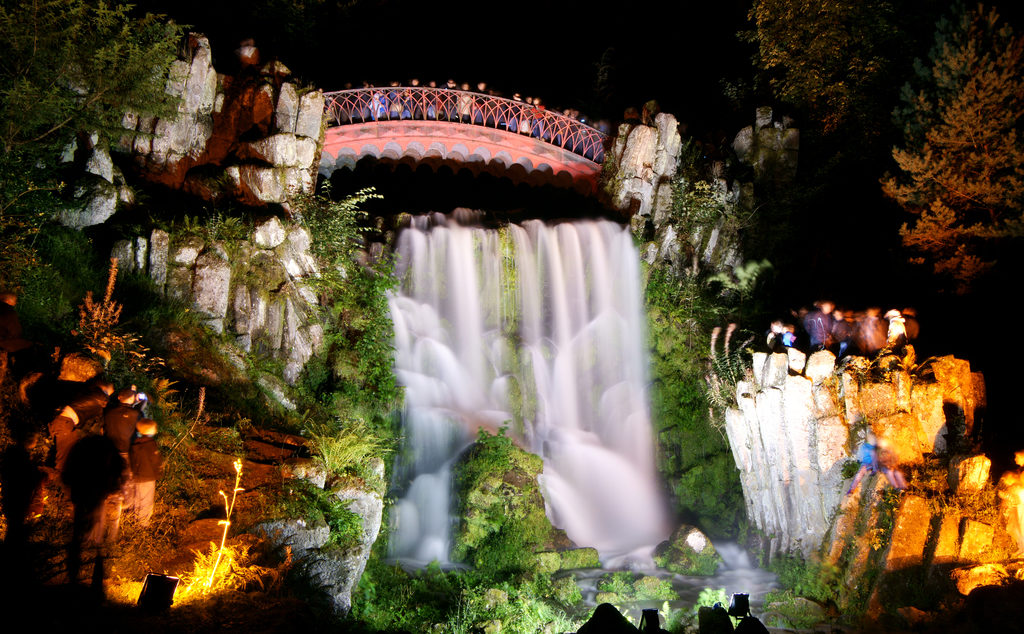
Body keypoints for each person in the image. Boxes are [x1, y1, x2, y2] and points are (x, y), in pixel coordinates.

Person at [129, 419, 163, 527]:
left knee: (137, 497)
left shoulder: (135, 443)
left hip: (136, 476)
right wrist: (159, 472)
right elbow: (155, 460)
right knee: (146, 499)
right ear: (151, 430)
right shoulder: (151, 444)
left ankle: (134, 517)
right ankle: (143, 523)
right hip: (148, 476)